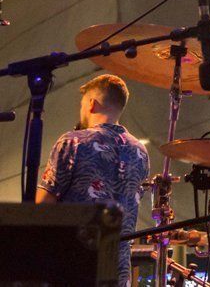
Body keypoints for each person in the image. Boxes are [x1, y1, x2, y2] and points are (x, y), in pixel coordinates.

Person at [37, 74, 150, 287]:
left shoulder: (73, 141)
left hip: (73, 268)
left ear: (91, 104)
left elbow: (43, 206)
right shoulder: (140, 152)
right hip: (118, 272)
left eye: (82, 105)